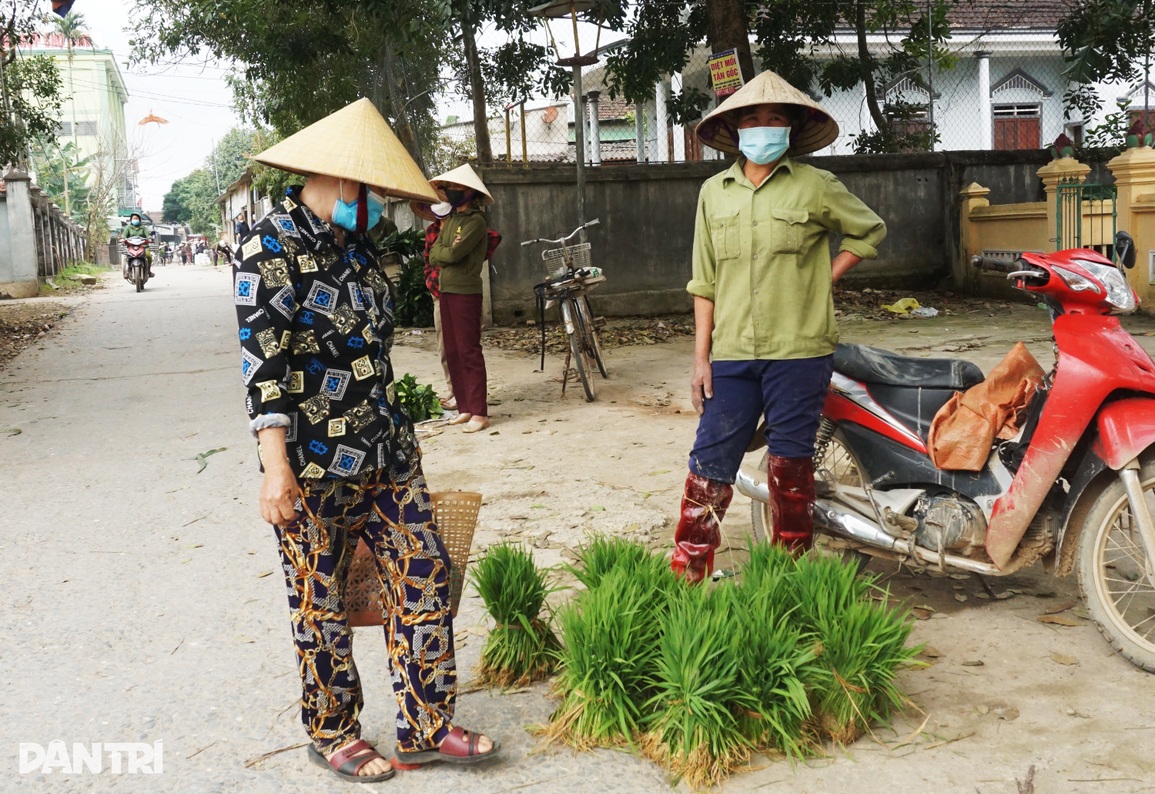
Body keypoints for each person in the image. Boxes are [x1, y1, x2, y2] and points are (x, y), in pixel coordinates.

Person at [233, 97, 498, 783]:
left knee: (424, 577)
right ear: (339, 179)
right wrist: (274, 469)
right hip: (313, 467)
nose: (377, 203)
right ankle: (333, 731)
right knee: (320, 604)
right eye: (371, 191)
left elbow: (373, 355)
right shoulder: (269, 246)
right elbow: (263, 368)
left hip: (386, 454)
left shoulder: (359, 247)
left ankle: (425, 725)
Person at [671, 70, 887, 583]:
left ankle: (786, 580)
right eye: (752, 119)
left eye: (774, 119)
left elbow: (870, 229)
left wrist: (826, 276)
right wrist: (701, 359)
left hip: (799, 350)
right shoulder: (713, 193)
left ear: (790, 129)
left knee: (791, 466)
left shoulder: (815, 186)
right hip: (732, 352)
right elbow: (704, 282)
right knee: (709, 462)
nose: (763, 128)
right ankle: (688, 574)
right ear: (736, 129)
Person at [427, 164, 492, 434]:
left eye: (455, 188)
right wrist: (444, 249)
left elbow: (452, 255)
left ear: (469, 192)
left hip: (466, 291)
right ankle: (465, 407)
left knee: (468, 350)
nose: (450, 192)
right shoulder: (452, 219)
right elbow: (434, 251)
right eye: (448, 188)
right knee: (452, 351)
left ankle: (480, 412)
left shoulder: (476, 221)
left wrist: (444, 250)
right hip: (446, 289)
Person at [411, 197, 456, 409]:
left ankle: (467, 392)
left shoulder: (463, 226)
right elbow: (428, 260)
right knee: (444, 344)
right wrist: (431, 282)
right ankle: (453, 389)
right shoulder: (431, 231)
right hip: (439, 291)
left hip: (461, 290)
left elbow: (492, 238)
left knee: (464, 345)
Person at [119, 212, 154, 278]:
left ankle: (149, 271)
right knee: (126, 257)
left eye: (136, 218)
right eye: (133, 218)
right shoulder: (128, 227)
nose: (135, 219)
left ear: (139, 219)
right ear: (131, 219)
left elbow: (148, 236)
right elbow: (124, 236)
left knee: (149, 256)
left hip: (143, 246)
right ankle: (127, 271)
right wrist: (123, 239)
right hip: (131, 246)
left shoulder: (143, 228)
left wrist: (149, 239)